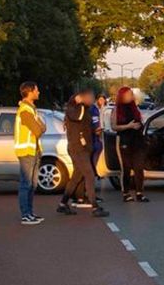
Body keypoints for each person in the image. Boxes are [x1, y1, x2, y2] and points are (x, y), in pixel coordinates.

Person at [59, 89, 110, 218]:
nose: (90, 100)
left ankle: (63, 204)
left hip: (84, 148)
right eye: (88, 98)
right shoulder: (73, 109)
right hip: (78, 148)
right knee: (89, 175)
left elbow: (86, 125)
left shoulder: (86, 109)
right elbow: (78, 117)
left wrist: (96, 130)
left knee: (77, 177)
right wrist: (78, 101)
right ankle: (94, 207)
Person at [14, 82, 46, 225]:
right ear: (30, 92)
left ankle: (30, 213)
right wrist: (39, 125)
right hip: (26, 151)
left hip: (34, 150)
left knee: (32, 184)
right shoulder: (26, 110)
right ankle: (25, 214)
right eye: (37, 89)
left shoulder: (31, 109)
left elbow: (42, 127)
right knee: (26, 184)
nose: (39, 92)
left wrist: (39, 125)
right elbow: (39, 130)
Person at [112, 87, 149, 203]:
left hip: (137, 140)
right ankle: (126, 193)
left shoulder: (135, 108)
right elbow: (114, 127)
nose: (130, 96)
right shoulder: (116, 109)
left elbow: (140, 121)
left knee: (139, 167)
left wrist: (139, 125)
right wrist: (128, 126)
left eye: (131, 94)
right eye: (128, 94)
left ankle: (139, 192)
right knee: (126, 168)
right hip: (124, 140)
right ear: (122, 96)